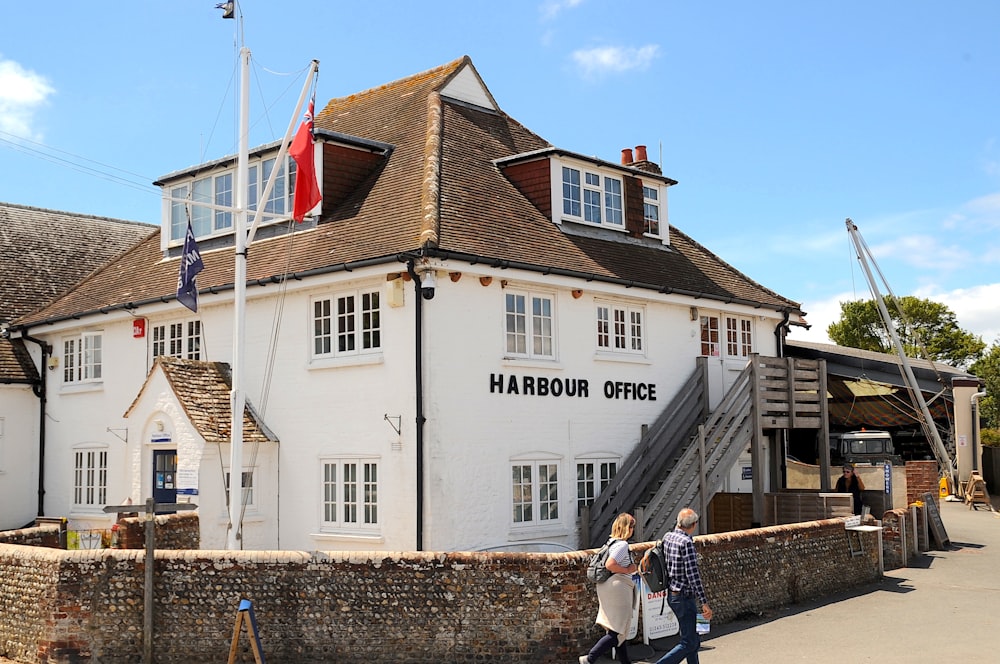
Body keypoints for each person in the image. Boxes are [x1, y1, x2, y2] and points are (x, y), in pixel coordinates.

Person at [654, 508, 712, 664]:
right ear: (693, 525)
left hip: (672, 594)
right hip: (684, 597)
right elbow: (693, 576)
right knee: (689, 642)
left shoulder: (667, 537)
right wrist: (704, 602)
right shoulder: (686, 543)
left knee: (693, 639)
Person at [580, 513, 638, 664]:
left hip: (607, 586)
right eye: (632, 526)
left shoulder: (611, 542)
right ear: (626, 528)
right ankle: (590, 658)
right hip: (618, 587)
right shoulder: (622, 545)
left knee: (617, 630)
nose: (633, 530)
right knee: (617, 630)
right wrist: (629, 569)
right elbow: (610, 564)